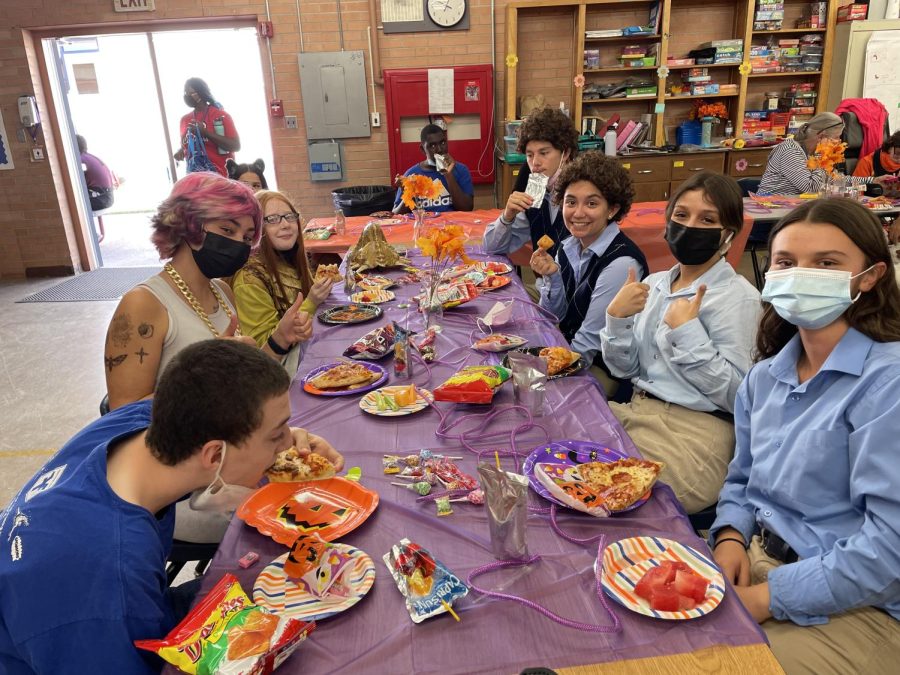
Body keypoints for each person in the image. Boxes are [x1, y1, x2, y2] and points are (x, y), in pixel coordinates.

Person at [0, 339, 344, 673]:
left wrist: (293, 449)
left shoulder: (144, 424)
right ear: (213, 454)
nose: (288, 446)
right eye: (276, 435)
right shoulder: (109, 578)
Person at [709, 198, 900, 674]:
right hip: (761, 558)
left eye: (827, 264)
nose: (802, 275)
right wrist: (731, 535)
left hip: (857, 601)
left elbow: (889, 550)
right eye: (787, 263)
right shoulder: (765, 376)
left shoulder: (886, 385)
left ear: (870, 275)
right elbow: (742, 479)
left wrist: (766, 598)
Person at [600, 172, 761, 514]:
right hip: (639, 411)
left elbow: (738, 397)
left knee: (608, 493)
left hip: (695, 435)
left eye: (707, 219)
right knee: (553, 446)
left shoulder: (738, 298)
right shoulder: (656, 282)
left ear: (728, 235)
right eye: (681, 215)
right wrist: (617, 320)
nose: (690, 227)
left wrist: (688, 334)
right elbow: (625, 369)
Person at [530, 151, 647, 385]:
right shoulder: (569, 245)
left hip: (605, 366)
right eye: (571, 202)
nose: (578, 213)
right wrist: (552, 277)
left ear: (612, 209)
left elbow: (588, 343)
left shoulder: (620, 263)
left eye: (592, 203)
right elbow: (555, 315)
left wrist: (541, 372)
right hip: (570, 344)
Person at [232, 190, 333, 372]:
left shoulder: (290, 260)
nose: (286, 225)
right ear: (255, 230)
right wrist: (312, 302)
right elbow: (262, 348)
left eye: (289, 216)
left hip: (307, 351)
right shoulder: (249, 278)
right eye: (272, 219)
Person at [483, 107, 580, 259]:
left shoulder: (582, 194)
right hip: (546, 281)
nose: (535, 163)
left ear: (565, 153)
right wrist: (507, 216)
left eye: (544, 153)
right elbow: (492, 247)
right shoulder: (537, 191)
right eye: (529, 155)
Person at [758, 112, 888, 195]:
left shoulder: (814, 154)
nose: (839, 142)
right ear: (821, 136)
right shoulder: (789, 150)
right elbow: (811, 187)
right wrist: (820, 155)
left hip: (795, 213)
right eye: (836, 137)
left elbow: (836, 180)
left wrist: (872, 180)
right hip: (771, 215)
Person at [392, 124, 474, 213]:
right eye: (432, 146)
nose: (439, 149)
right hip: (424, 225)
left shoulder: (461, 170)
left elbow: (467, 209)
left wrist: (448, 175)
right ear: (422, 149)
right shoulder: (412, 174)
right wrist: (408, 191)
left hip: (452, 224)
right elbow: (396, 214)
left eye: (442, 143)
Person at [173, 77, 240, 177]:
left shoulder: (220, 115)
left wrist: (206, 133)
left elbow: (235, 146)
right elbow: (187, 145)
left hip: (221, 179)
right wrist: (181, 151)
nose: (187, 96)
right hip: (195, 181)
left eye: (190, 92)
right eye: (185, 93)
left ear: (200, 93)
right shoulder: (184, 120)